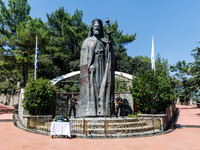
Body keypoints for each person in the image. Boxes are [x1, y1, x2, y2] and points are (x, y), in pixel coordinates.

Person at [77, 19, 115, 117]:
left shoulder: (105, 40)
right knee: (93, 87)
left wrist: (109, 39)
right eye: (95, 26)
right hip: (93, 69)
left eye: (99, 26)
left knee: (103, 85)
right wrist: (89, 66)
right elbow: (84, 58)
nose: (97, 28)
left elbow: (110, 54)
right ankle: (91, 110)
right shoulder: (87, 41)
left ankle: (104, 110)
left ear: (101, 28)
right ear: (92, 28)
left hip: (103, 66)